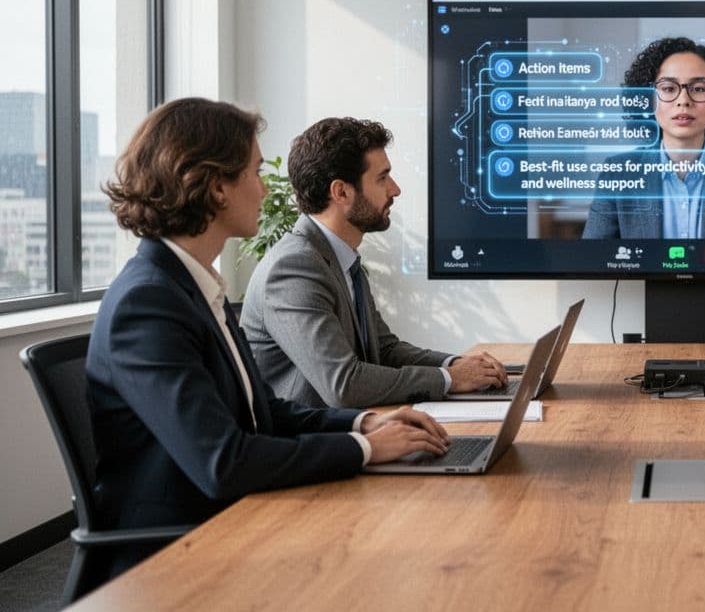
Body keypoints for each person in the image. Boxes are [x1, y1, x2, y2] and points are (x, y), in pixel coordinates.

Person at [87, 98, 450, 584]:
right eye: (255, 172)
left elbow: (263, 412)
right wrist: (364, 449)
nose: (264, 189)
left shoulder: (192, 286)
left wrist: (365, 424)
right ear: (215, 186)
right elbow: (224, 461)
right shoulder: (148, 303)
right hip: (179, 555)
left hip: (236, 516)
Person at [241, 118, 508, 408]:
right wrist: (450, 378)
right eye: (382, 178)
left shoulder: (339, 256)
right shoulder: (294, 268)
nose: (395, 190)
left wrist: (457, 363)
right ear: (341, 192)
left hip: (358, 429)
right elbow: (343, 385)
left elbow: (384, 349)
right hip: (317, 442)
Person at [582, 37, 705, 240]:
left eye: (699, 89)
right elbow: (595, 262)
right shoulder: (617, 174)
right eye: (668, 88)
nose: (683, 101)